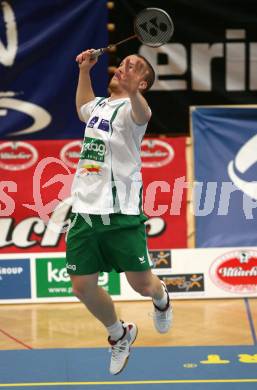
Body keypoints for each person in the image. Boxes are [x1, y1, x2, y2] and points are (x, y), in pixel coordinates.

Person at [66, 49, 172, 375]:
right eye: (124, 62)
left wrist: (136, 94)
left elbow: (144, 114)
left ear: (141, 82)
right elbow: (83, 107)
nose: (124, 67)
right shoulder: (100, 105)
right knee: (81, 287)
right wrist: (85, 71)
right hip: (85, 210)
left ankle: (161, 297)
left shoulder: (133, 111)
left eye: (133, 67)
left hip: (121, 212)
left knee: (141, 285)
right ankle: (118, 334)